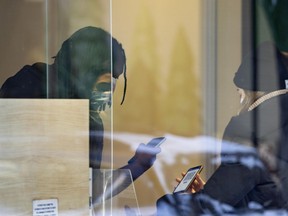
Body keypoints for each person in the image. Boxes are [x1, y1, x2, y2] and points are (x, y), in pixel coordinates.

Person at [0, 26, 161, 203]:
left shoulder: (86, 116)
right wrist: (136, 166)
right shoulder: (31, 88)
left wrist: (136, 166)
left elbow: (85, 191)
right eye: (105, 82)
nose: (110, 90)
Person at [156, 41, 288, 215]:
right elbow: (266, 188)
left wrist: (165, 204)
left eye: (238, 93)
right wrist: (210, 191)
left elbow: (210, 205)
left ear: (245, 94)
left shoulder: (249, 129)